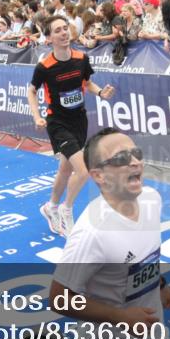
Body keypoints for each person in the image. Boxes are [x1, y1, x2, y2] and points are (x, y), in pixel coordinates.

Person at [50, 128, 170, 339]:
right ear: (99, 176)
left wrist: (160, 284)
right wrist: (120, 317)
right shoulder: (91, 233)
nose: (135, 162)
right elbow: (59, 297)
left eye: (137, 154)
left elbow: (143, 254)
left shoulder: (152, 199)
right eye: (121, 158)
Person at [27, 16, 115, 237]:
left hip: (79, 120)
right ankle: (67, 211)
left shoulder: (81, 58)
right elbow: (31, 90)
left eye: (65, 28)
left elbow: (87, 83)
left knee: (65, 169)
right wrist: (37, 116)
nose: (64, 33)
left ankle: (51, 207)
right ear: (49, 38)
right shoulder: (44, 66)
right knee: (83, 170)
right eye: (58, 30)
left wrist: (101, 93)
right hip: (57, 123)